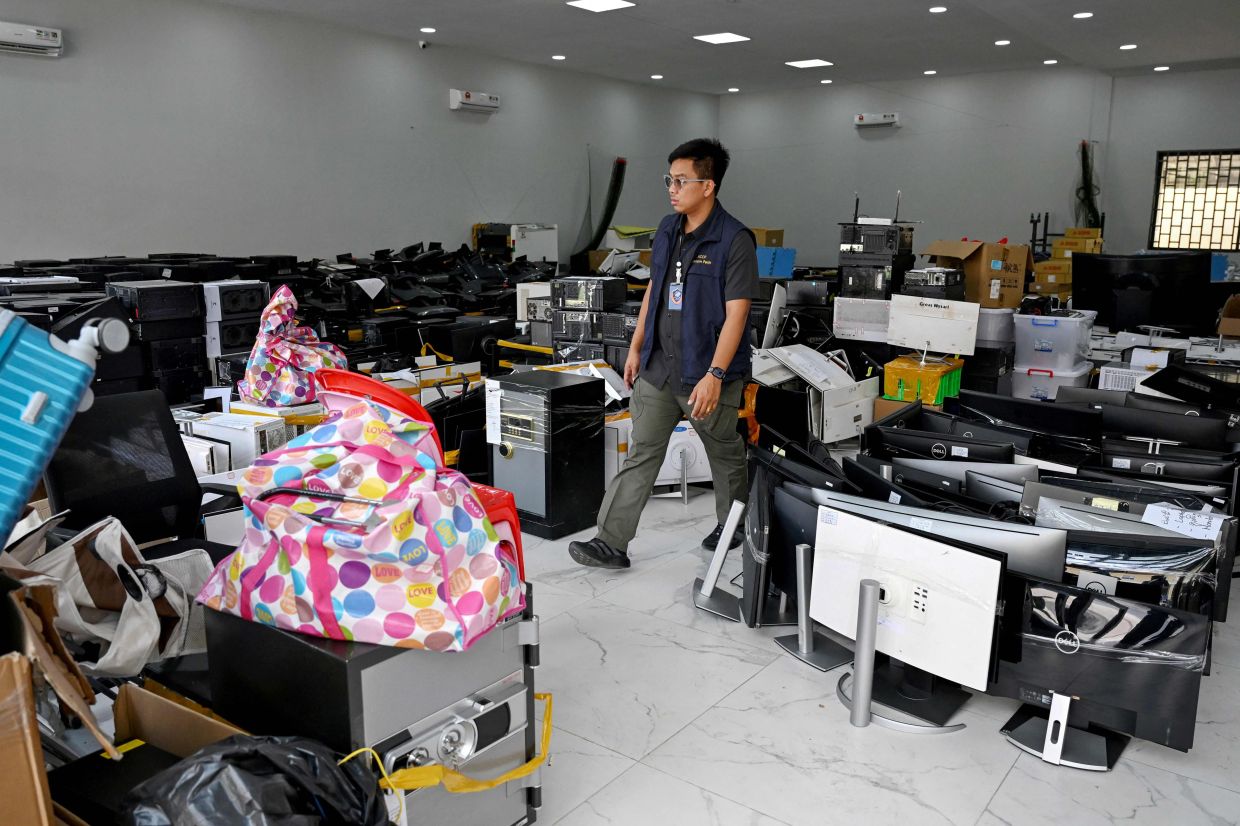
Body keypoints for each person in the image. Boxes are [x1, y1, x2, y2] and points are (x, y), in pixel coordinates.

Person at [569, 138, 759, 569]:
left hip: (707, 374)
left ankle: (735, 525)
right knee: (642, 452)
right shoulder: (668, 228)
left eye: (680, 180)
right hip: (659, 367)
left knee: (725, 454)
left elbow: (737, 315)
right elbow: (655, 287)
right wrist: (636, 346)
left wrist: (715, 373)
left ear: (708, 185)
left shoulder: (734, 241)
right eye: (668, 180)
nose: (671, 189)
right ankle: (610, 542)